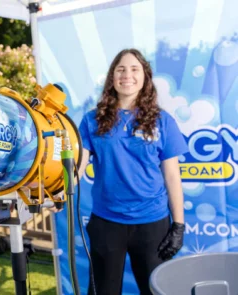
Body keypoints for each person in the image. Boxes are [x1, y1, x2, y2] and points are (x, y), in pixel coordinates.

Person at [78, 48, 188, 295]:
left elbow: (172, 176)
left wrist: (178, 225)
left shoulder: (163, 120)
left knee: (156, 291)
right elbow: (78, 167)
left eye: (134, 69)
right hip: (106, 222)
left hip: (152, 223)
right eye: (121, 69)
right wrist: (57, 191)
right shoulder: (91, 120)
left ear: (145, 77)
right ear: (112, 78)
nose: (127, 75)